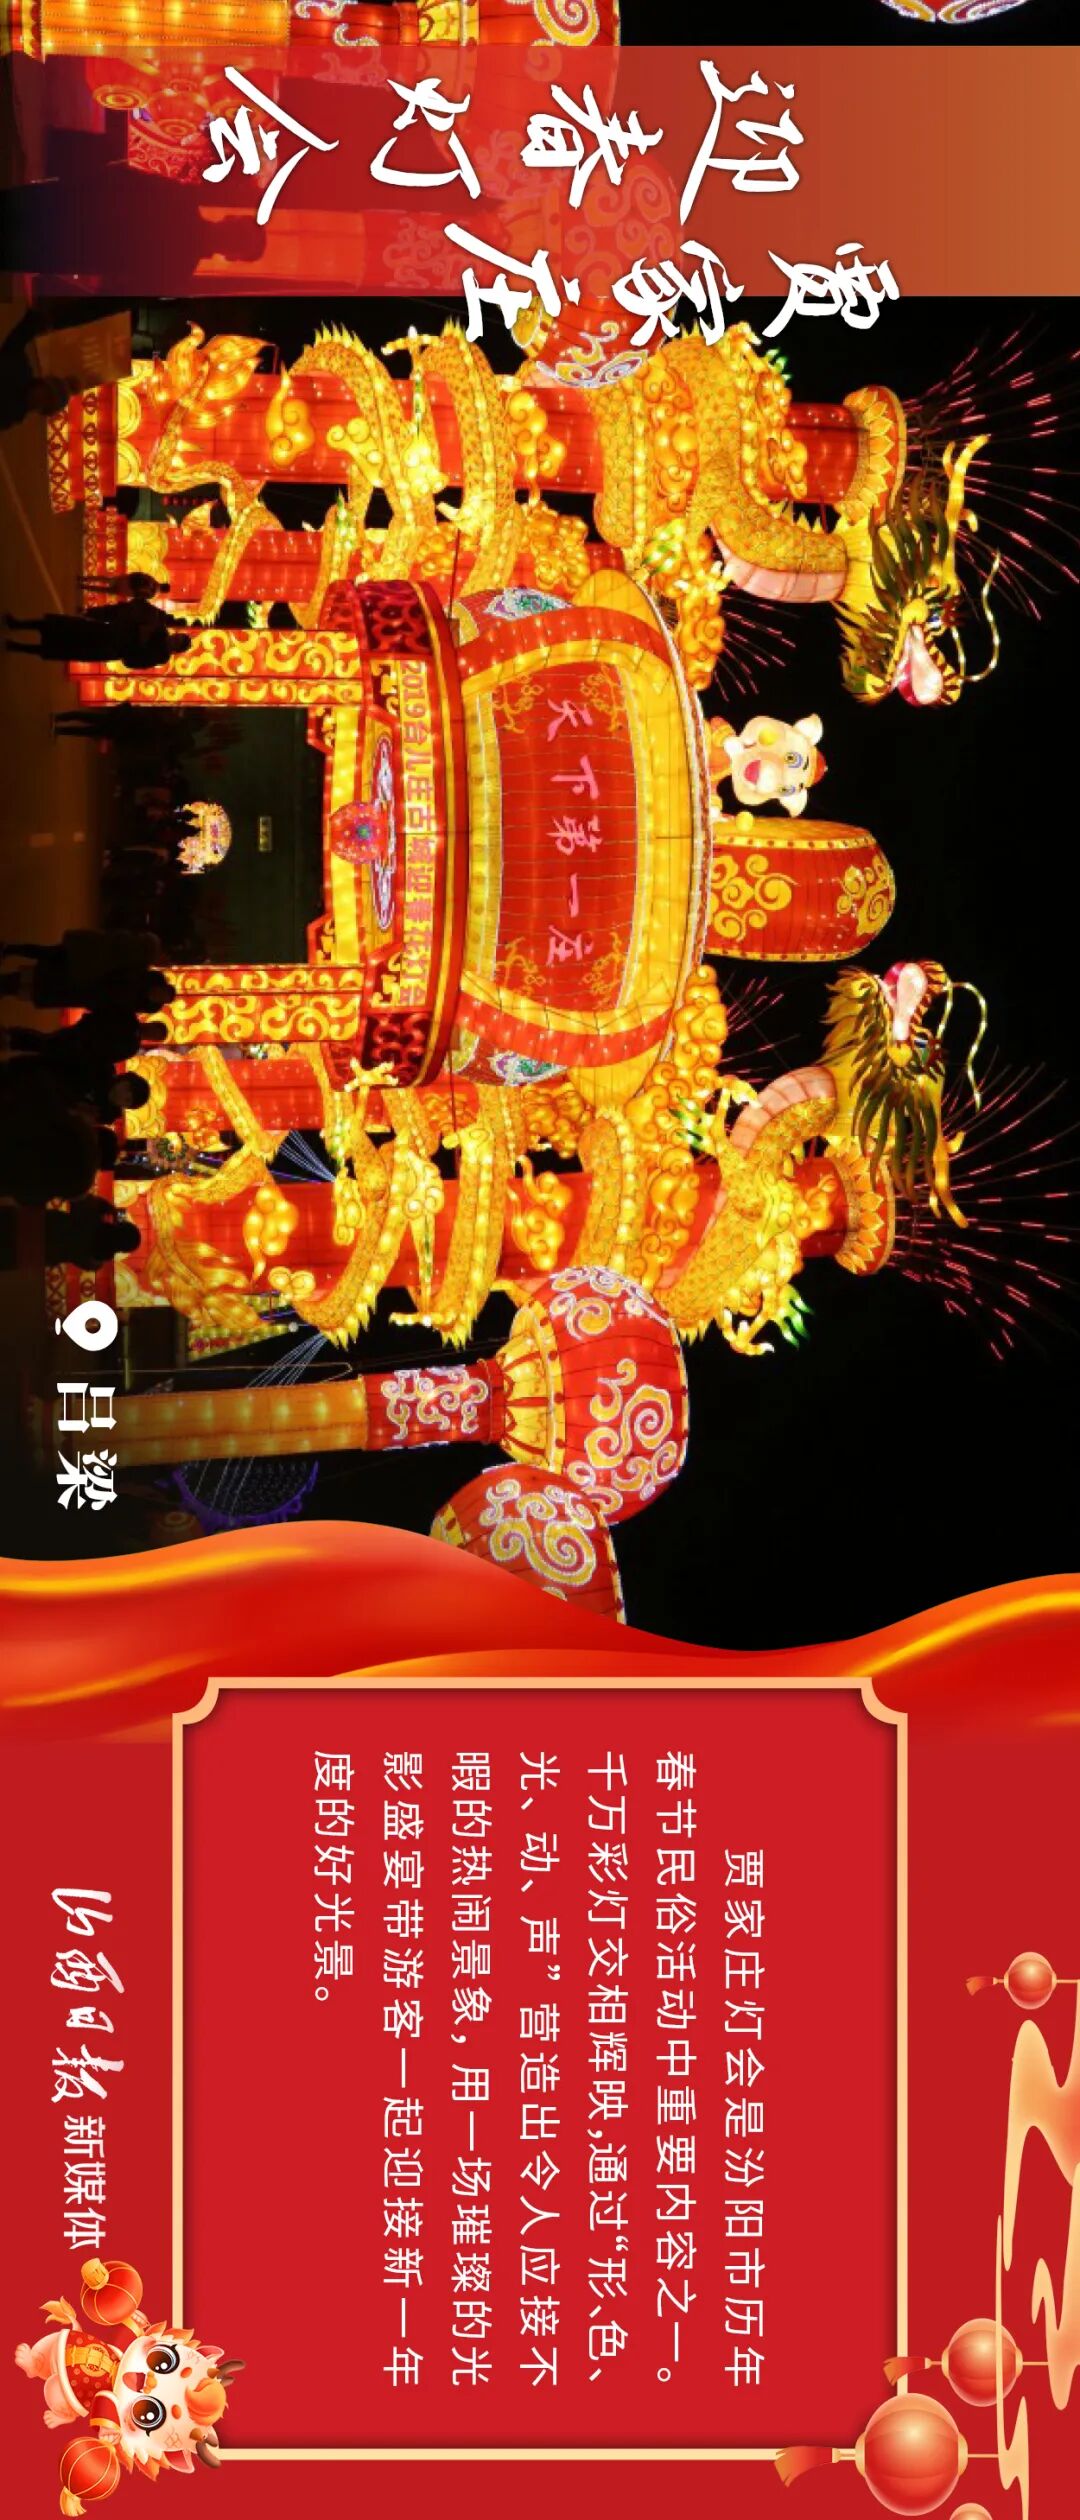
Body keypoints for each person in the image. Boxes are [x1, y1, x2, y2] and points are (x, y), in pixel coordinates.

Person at [3, 603, 193, 672]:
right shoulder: (159, 628)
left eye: (177, 643)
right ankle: (18, 624)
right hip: (106, 632)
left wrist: (137, 645)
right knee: (60, 625)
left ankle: (18, 647)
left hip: (108, 649)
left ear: (175, 650)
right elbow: (128, 615)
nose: (173, 640)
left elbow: (132, 662)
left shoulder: (160, 656)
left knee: (62, 649)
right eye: (177, 637)